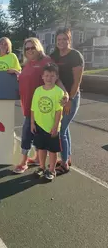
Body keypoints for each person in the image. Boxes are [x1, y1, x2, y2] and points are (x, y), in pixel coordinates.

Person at [13, 38, 68, 174]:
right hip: (27, 105)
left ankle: (24, 161)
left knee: (27, 133)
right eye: (27, 48)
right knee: (36, 134)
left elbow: (56, 78)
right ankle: (38, 158)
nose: (30, 50)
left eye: (32, 47)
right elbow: (27, 78)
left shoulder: (46, 61)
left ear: (38, 47)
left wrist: (65, 93)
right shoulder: (27, 64)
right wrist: (17, 73)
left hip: (40, 107)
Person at [50, 27, 84, 175]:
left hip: (72, 96)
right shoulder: (54, 55)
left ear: (69, 40)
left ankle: (64, 164)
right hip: (61, 96)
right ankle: (67, 157)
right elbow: (56, 77)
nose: (61, 42)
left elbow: (77, 81)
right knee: (65, 128)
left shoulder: (76, 56)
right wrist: (63, 94)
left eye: (64, 39)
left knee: (61, 130)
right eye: (59, 39)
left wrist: (69, 99)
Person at [31, 63, 64, 181]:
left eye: (52, 76)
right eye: (47, 75)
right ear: (42, 77)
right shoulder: (38, 91)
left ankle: (51, 170)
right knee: (41, 148)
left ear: (56, 77)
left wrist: (55, 126)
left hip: (52, 127)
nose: (49, 78)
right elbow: (33, 108)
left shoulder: (58, 92)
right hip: (39, 125)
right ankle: (41, 167)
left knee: (53, 151)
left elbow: (58, 111)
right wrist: (32, 123)